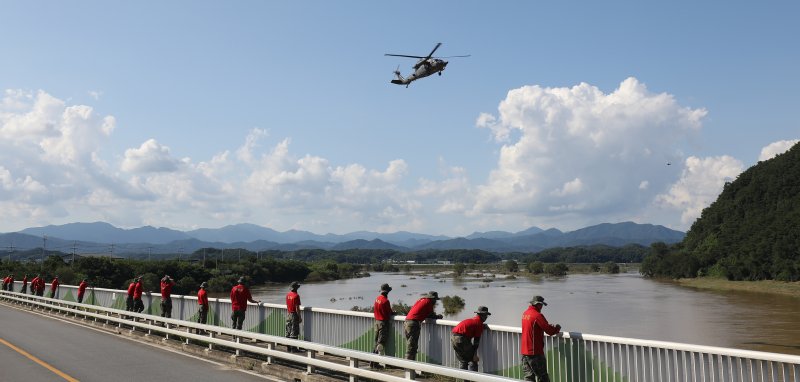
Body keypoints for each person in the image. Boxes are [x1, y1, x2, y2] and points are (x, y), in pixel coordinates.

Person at [521, 295, 561, 382]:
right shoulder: (537, 315)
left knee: (529, 377)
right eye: (541, 305)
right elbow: (549, 330)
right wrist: (557, 328)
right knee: (543, 377)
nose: (542, 307)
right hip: (535, 352)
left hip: (524, 352)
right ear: (538, 304)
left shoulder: (525, 314)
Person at [404, 291, 443, 360]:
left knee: (410, 344)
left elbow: (422, 312)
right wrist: (439, 316)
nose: (435, 302)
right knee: (412, 346)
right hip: (413, 324)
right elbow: (431, 315)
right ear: (433, 299)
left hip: (407, 322)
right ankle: (409, 367)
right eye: (435, 300)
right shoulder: (429, 302)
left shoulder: (421, 300)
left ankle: (409, 365)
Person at [451, 306, 491, 371]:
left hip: (453, 337)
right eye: (486, 315)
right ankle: (473, 378)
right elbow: (476, 341)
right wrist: (474, 355)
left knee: (463, 361)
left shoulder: (472, 320)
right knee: (473, 360)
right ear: (482, 315)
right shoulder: (478, 323)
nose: (486, 317)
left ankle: (465, 379)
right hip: (461, 339)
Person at [371, 283, 394, 368]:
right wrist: (393, 313)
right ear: (387, 291)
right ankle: (375, 363)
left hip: (377, 322)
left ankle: (372, 362)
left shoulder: (377, 298)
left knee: (376, 342)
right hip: (383, 323)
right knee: (380, 343)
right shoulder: (385, 301)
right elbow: (389, 313)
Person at [285, 281, 302, 351]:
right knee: (294, 331)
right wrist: (300, 317)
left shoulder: (288, 295)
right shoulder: (296, 296)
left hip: (288, 314)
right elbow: (297, 308)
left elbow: (288, 305)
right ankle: (294, 348)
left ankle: (288, 347)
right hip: (294, 314)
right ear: (296, 288)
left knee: (288, 330)